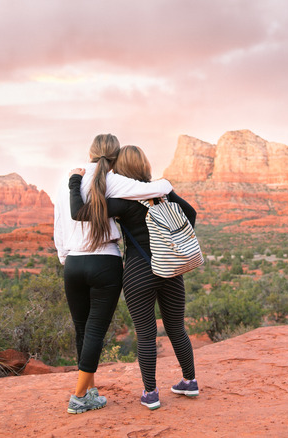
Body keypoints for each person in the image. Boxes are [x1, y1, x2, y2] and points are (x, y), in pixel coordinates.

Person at [69, 145, 199, 411]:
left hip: (140, 271)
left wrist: (74, 183)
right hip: (171, 268)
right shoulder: (164, 193)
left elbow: (80, 213)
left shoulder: (124, 202)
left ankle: (151, 394)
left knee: (146, 334)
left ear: (121, 169)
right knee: (177, 328)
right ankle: (190, 381)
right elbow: (192, 214)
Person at [53, 134, 173, 415]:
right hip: (104, 262)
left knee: (82, 329)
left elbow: (60, 221)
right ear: (115, 157)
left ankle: (90, 391)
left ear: (90, 152)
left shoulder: (68, 178)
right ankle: (80, 396)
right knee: (95, 330)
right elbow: (161, 187)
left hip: (73, 263)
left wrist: (64, 257)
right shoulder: (114, 179)